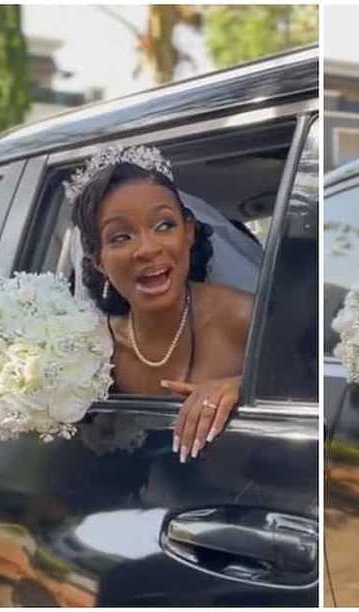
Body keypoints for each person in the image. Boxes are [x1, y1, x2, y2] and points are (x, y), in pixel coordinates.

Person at [69, 145, 253, 461]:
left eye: (164, 225)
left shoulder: (246, 317)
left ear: (189, 233)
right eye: (120, 237)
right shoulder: (89, 350)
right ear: (98, 261)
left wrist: (242, 387)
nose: (147, 249)